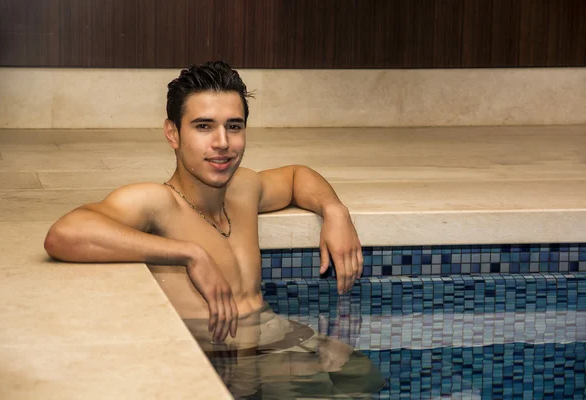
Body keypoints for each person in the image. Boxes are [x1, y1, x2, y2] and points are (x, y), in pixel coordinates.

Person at [44, 60, 363, 344]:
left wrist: (334, 210)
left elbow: (297, 177)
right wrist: (191, 254)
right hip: (213, 366)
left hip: (269, 346)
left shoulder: (243, 188)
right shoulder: (159, 203)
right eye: (204, 126)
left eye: (234, 126)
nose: (222, 142)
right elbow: (65, 234)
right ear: (173, 134)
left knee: (358, 378)